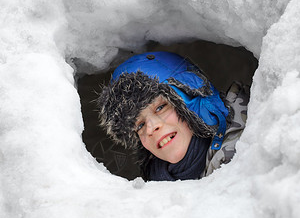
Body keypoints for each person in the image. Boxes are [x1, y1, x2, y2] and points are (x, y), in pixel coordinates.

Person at [97, 51, 249, 181]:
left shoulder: (248, 150)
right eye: (140, 125)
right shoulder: (155, 190)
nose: (151, 128)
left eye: (161, 107)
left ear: (193, 97)